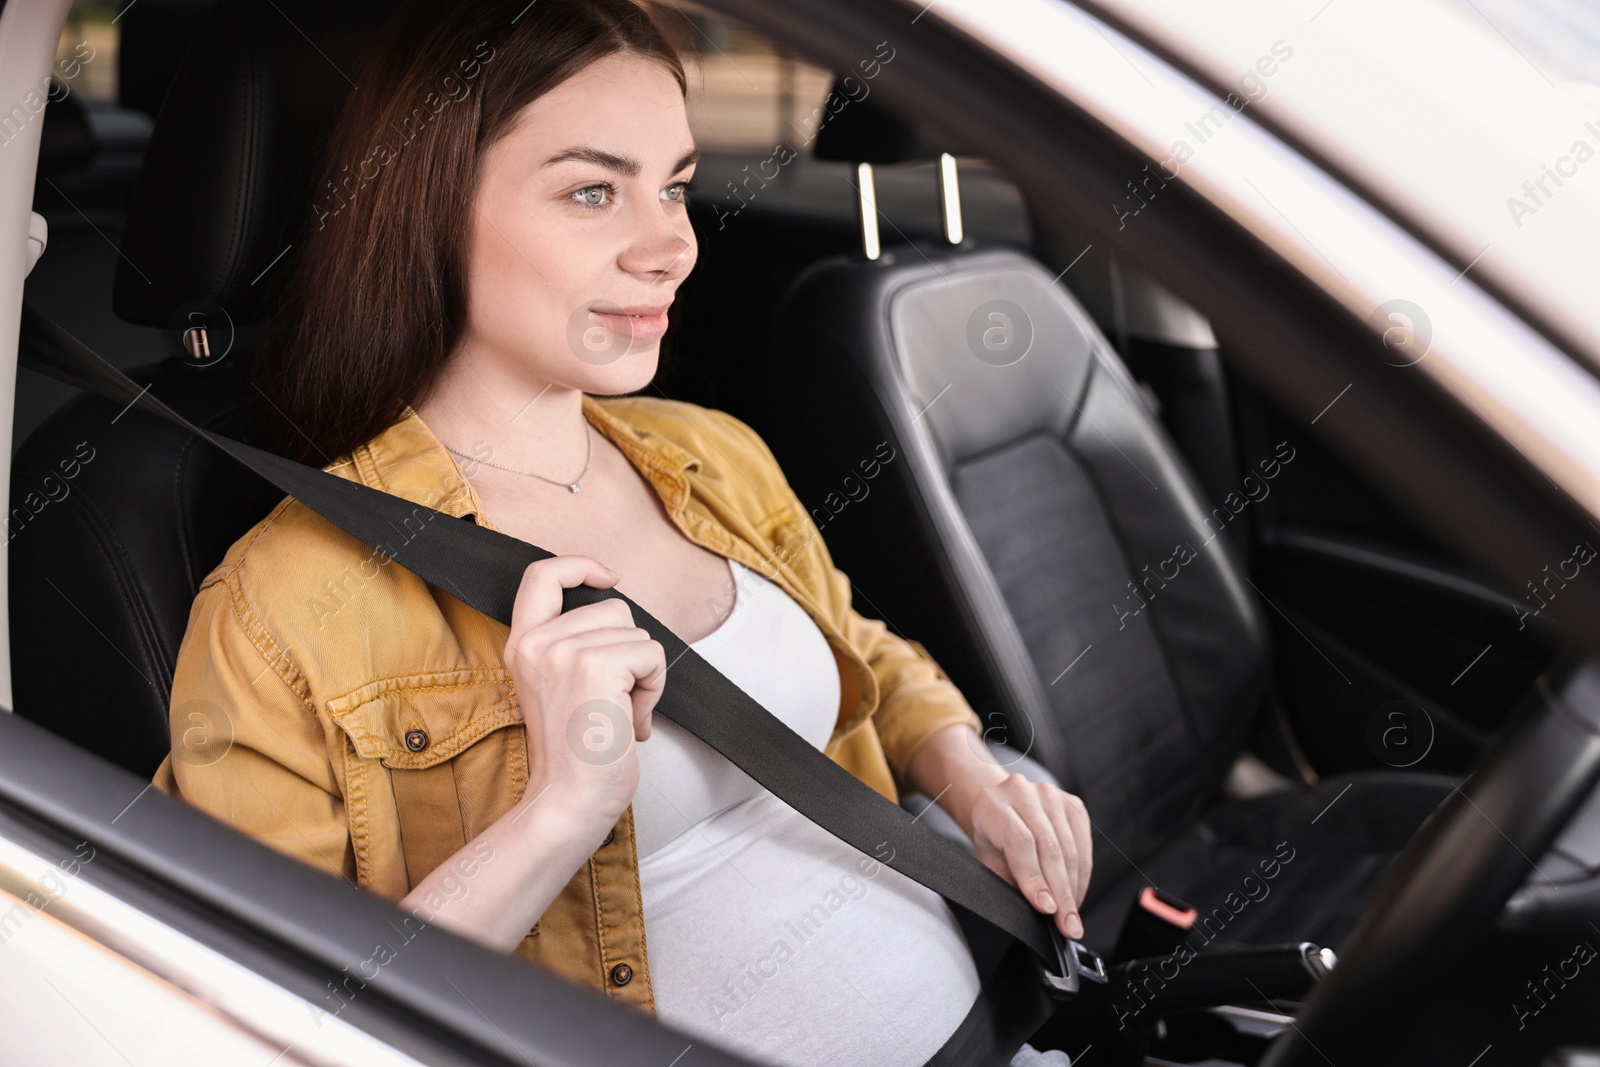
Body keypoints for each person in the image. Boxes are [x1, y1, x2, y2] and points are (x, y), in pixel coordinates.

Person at [150, 1, 1092, 1064]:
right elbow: (268, 1021)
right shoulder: (279, 612)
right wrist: (560, 808)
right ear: (430, 209)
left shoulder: (712, 452)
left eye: (675, 185)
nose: (673, 246)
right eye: (593, 190)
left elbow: (864, 650)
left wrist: (974, 777)